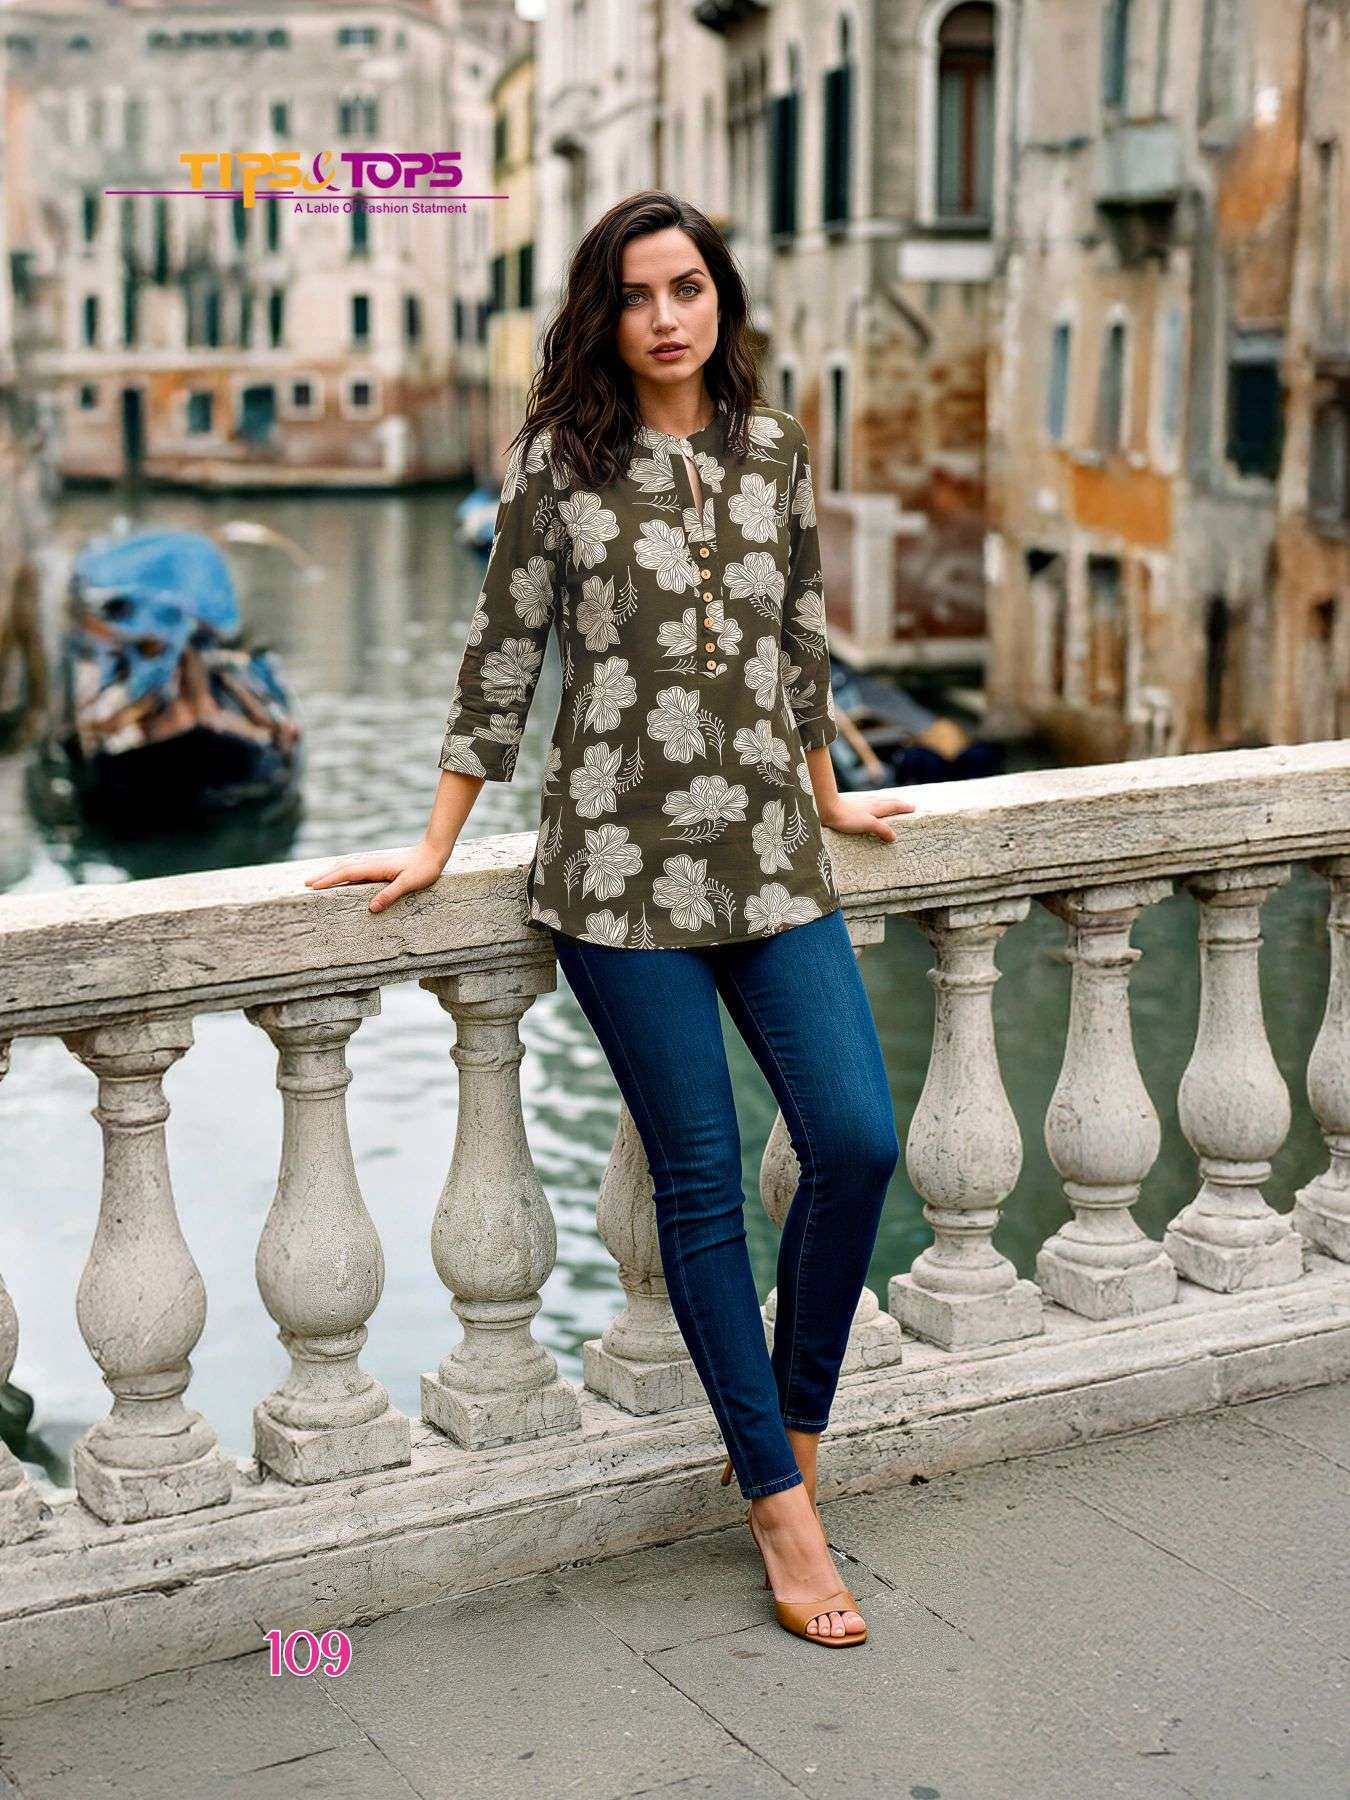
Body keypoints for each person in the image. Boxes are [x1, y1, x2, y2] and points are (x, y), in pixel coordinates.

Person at [306, 192, 915, 1647]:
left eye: (686, 287)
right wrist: (438, 839)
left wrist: (827, 795)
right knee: (700, 1181)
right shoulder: (557, 465)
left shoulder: (777, 450)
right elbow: (500, 661)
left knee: (856, 1140)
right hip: (616, 879)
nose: (664, 317)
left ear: (720, 299)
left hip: (773, 861)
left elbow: (799, 638)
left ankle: (792, 1433)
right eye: (637, 294)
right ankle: (779, 1509)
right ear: (605, 313)